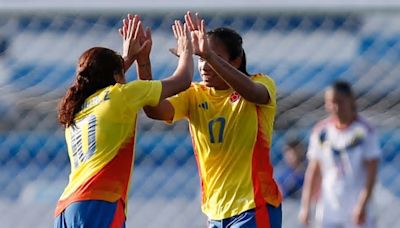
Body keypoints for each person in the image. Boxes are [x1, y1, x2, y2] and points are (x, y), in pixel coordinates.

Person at [125, 11, 282, 228]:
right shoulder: (194, 94)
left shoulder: (261, 83)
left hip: (254, 206)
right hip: (215, 212)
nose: (204, 65)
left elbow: (255, 94)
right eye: (199, 58)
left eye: (212, 57)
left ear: (235, 62)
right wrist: (143, 64)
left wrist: (209, 55)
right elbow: (155, 111)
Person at [54, 15, 193, 227]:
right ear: (118, 75)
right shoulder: (122, 95)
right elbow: (183, 80)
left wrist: (133, 58)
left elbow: (105, 81)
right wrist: (187, 51)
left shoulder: (79, 106)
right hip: (99, 201)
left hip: (67, 207)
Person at [298, 81, 381, 228]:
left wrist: (362, 204)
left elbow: (372, 172)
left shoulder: (364, 130)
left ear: (351, 100)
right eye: (330, 102)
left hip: (356, 207)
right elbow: (313, 171)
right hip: (328, 207)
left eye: (339, 102)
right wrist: (306, 206)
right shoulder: (321, 131)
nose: (334, 107)